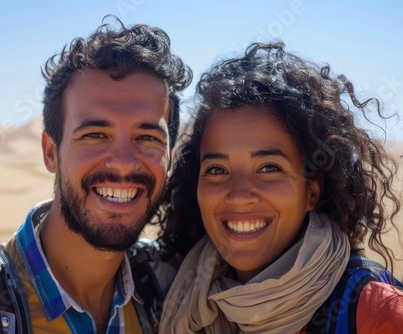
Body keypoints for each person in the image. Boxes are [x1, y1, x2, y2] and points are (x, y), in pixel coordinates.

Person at [0, 16, 192, 333]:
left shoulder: (171, 285)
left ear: (169, 157)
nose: (123, 163)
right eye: (95, 134)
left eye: (148, 138)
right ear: (51, 152)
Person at [158, 42, 403, 333]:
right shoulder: (169, 286)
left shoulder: (375, 311)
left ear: (312, 191)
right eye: (216, 170)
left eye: (269, 168)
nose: (239, 195)